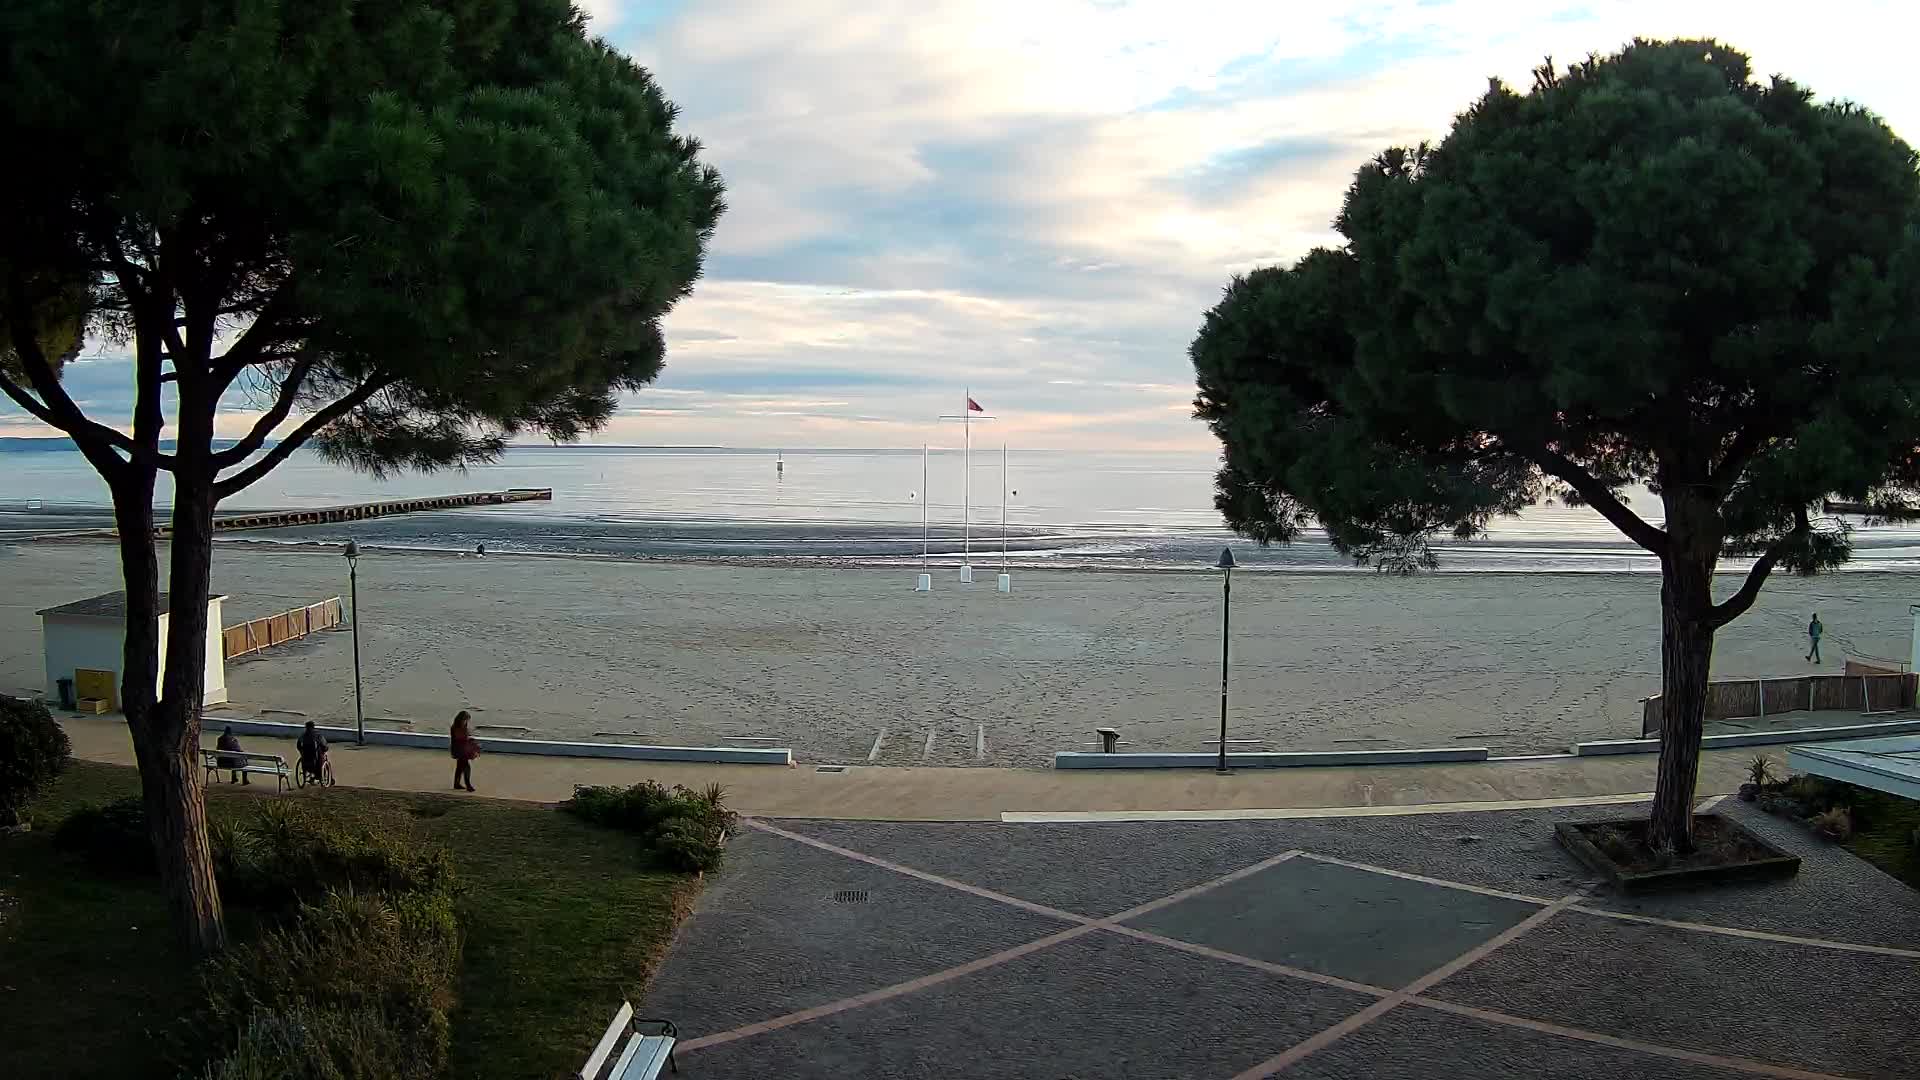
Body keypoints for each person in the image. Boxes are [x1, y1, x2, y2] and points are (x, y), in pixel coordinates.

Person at [450, 710, 479, 792]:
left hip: (460, 749)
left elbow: (463, 737)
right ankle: (468, 785)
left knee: (459, 767)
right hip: (460, 749)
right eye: (465, 720)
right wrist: (469, 741)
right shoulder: (456, 727)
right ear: (461, 719)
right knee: (466, 767)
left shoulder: (460, 726)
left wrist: (469, 739)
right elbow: (459, 738)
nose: (466, 722)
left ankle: (456, 784)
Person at [296, 720, 330, 784]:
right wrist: (325, 749)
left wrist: (301, 752)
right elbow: (324, 745)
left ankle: (310, 777)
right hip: (316, 760)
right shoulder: (317, 735)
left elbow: (298, 745)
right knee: (323, 756)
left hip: (305, 760)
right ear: (313, 727)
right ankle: (324, 777)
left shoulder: (303, 735)